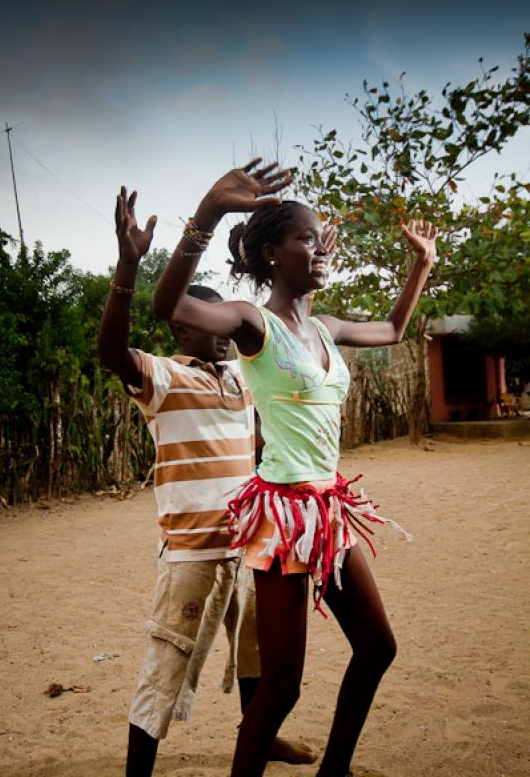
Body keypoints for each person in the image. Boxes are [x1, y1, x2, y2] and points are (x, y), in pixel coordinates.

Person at [152, 160, 439, 777]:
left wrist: (422, 265)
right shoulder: (256, 325)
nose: (319, 248)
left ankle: (334, 770)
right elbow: (168, 302)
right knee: (282, 689)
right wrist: (207, 213)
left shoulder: (327, 329)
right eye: (304, 238)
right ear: (270, 254)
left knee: (377, 648)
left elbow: (392, 327)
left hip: (329, 508)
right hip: (281, 517)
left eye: (318, 238)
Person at [97, 186, 316, 777]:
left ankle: (260, 738)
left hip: (248, 545)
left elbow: (260, 444)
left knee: (257, 656)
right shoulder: (163, 378)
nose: (221, 333)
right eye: (205, 321)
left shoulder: (242, 381)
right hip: (192, 551)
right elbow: (110, 349)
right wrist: (128, 264)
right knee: (166, 665)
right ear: (181, 331)